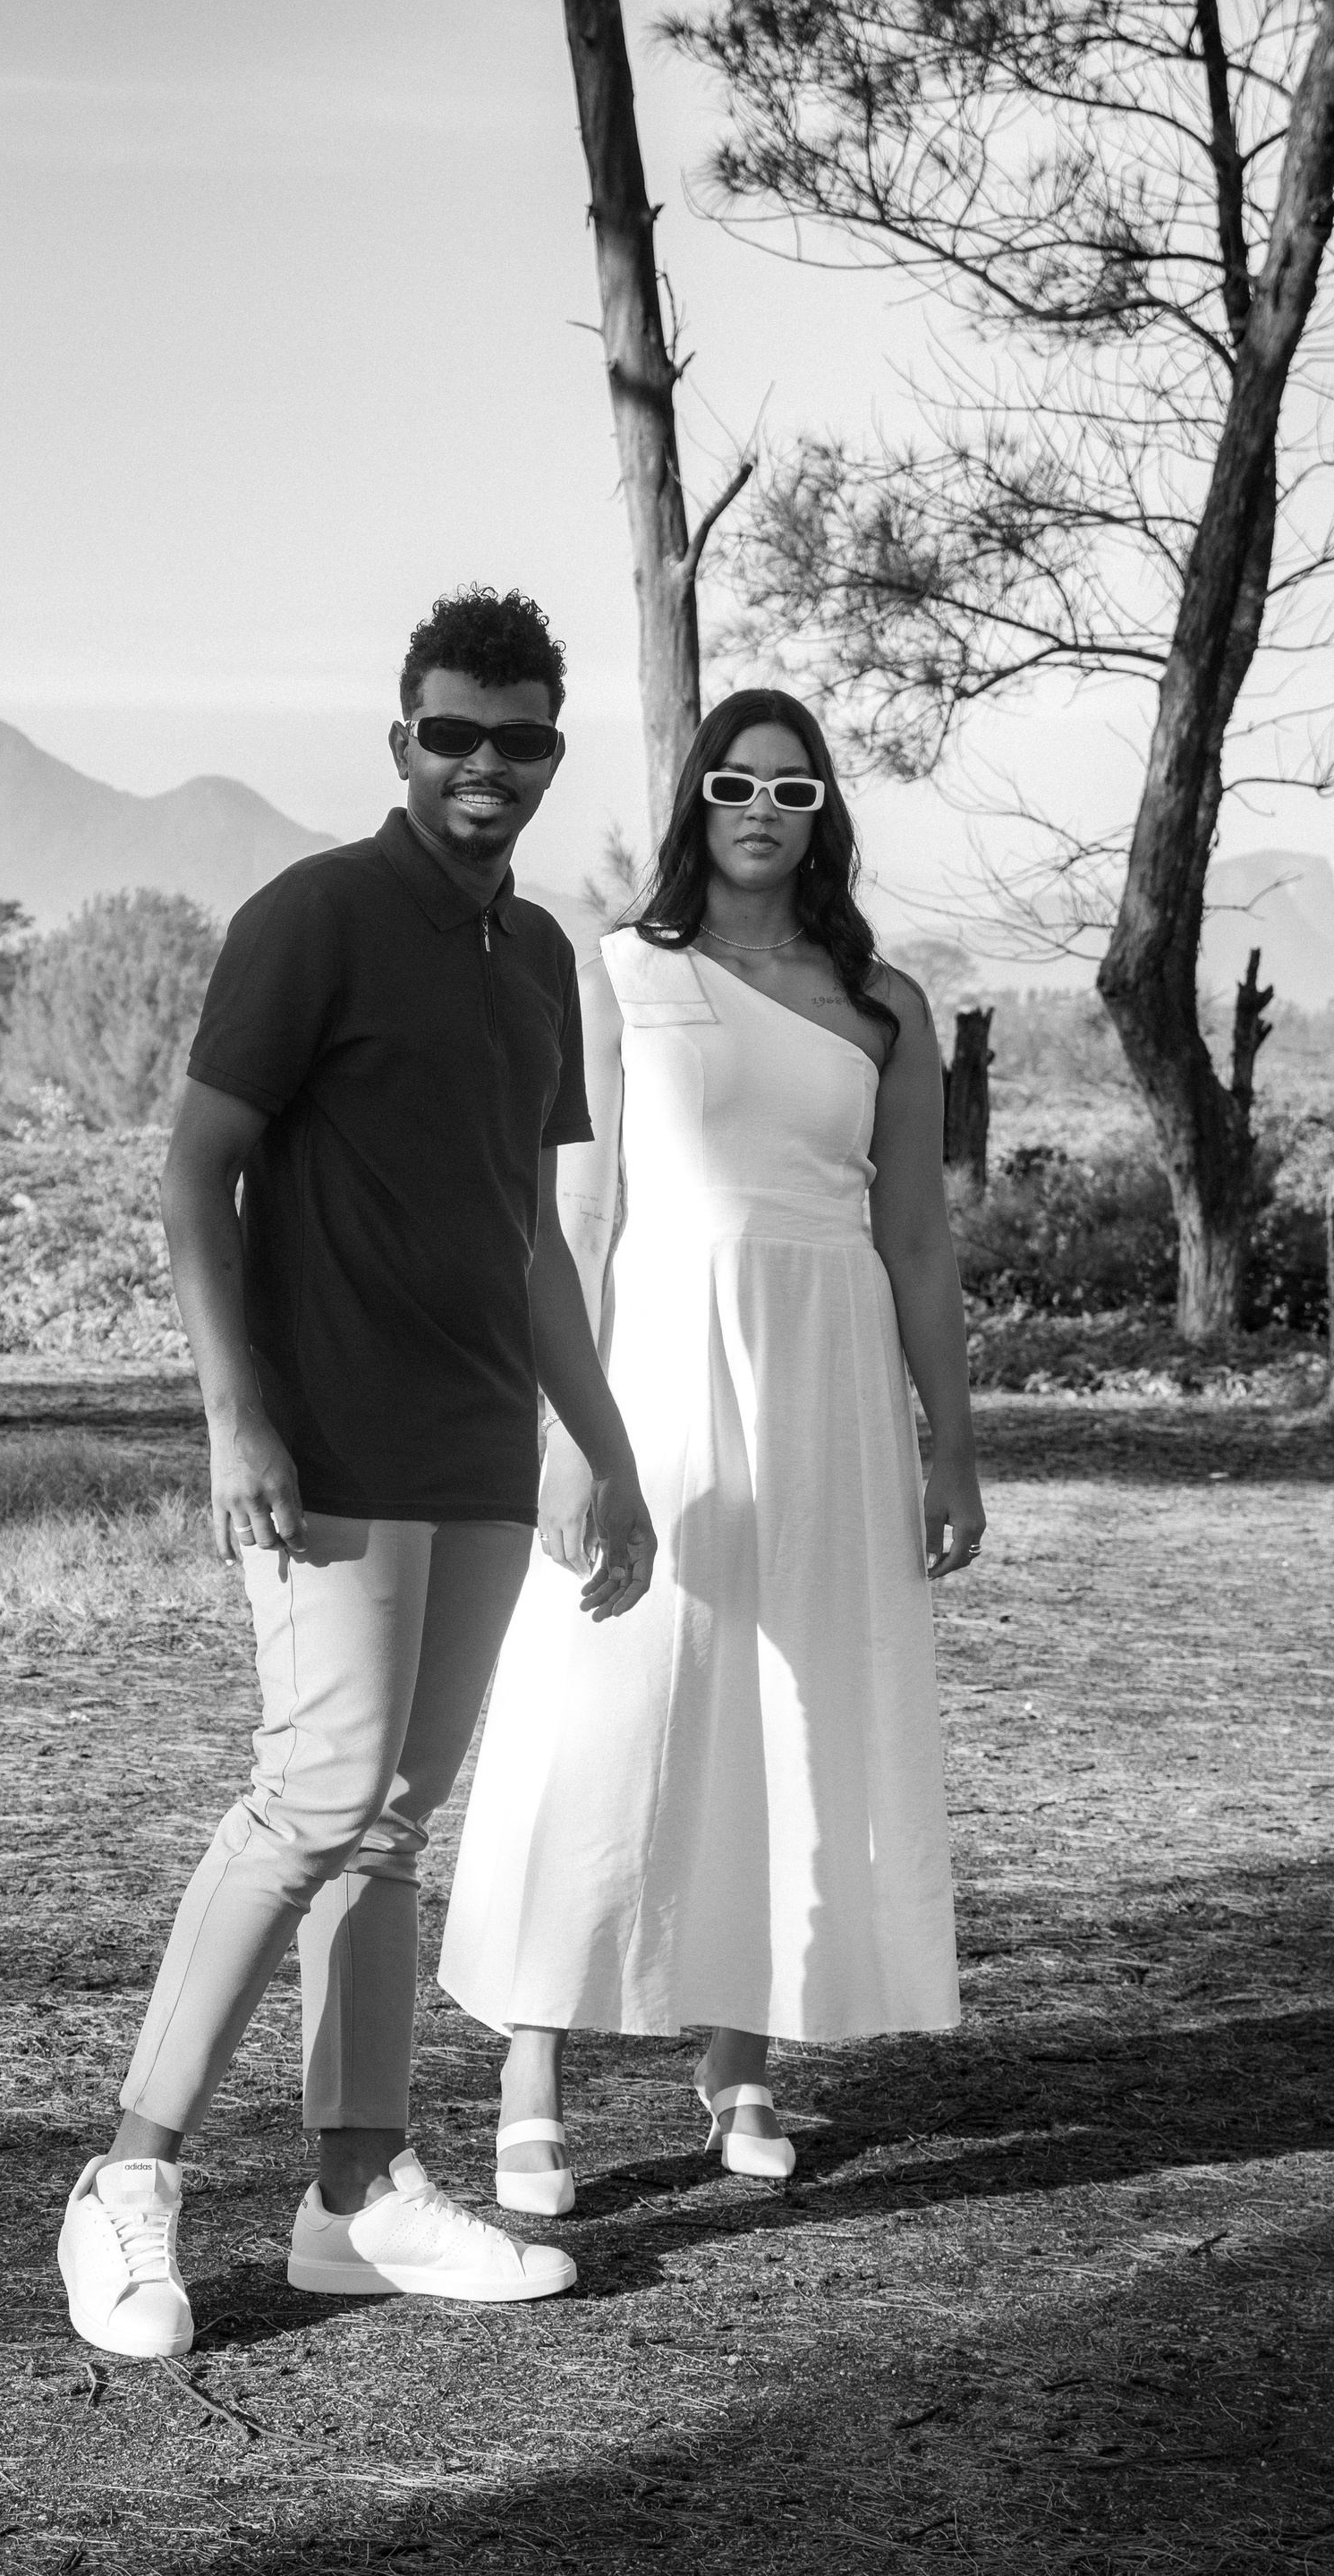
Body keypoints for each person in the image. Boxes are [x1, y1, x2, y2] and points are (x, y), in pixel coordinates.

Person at [55, 587, 657, 2358]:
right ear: (401, 741)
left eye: (519, 738)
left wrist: (606, 1448)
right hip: (325, 1438)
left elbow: (533, 1244)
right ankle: (127, 2179)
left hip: (476, 1454)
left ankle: (357, 2198)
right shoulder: (313, 915)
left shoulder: (537, 955)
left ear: (552, 753)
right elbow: (197, 1174)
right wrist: (234, 1414)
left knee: (390, 1824)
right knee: (313, 1797)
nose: (486, 764)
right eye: (452, 732)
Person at [438, 687, 984, 2213]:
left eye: (794, 790)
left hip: (831, 1376)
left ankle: (739, 2055)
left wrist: (950, 1446)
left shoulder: (887, 1005)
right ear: (698, 800)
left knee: (788, 1711)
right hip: (659, 1365)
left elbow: (918, 1238)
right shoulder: (621, 975)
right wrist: (572, 1435)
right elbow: (582, 1221)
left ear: (824, 815)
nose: (762, 810)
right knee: (604, 1697)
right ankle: (531, 2066)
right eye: (737, 784)